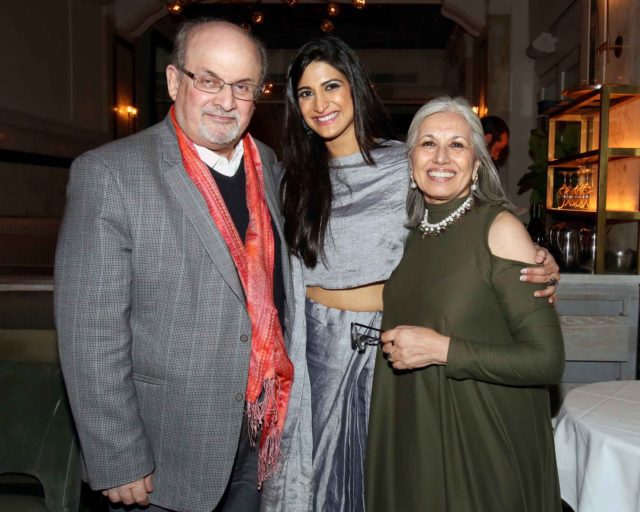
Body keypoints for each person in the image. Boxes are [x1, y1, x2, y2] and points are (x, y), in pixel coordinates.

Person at [262, 36, 560, 512]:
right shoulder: (290, 177)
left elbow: (470, 218)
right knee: (319, 487)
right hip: (318, 349)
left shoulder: (410, 162)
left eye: (332, 85)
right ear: (295, 107)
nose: (321, 103)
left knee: (393, 480)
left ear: (355, 88)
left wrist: (537, 255)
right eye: (305, 93)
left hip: (391, 341)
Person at [54, 19, 303, 512]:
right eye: (208, 80)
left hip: (260, 442)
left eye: (242, 87)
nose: (225, 101)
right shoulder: (110, 174)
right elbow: (90, 333)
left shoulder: (269, 166)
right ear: (174, 82)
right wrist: (118, 456)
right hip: (165, 454)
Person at [366, 96, 565, 511]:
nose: (441, 157)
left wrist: (442, 350)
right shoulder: (416, 232)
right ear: (411, 159)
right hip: (418, 430)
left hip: (479, 443)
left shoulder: (499, 227)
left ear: (477, 163)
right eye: (428, 143)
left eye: (457, 144)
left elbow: (546, 360)